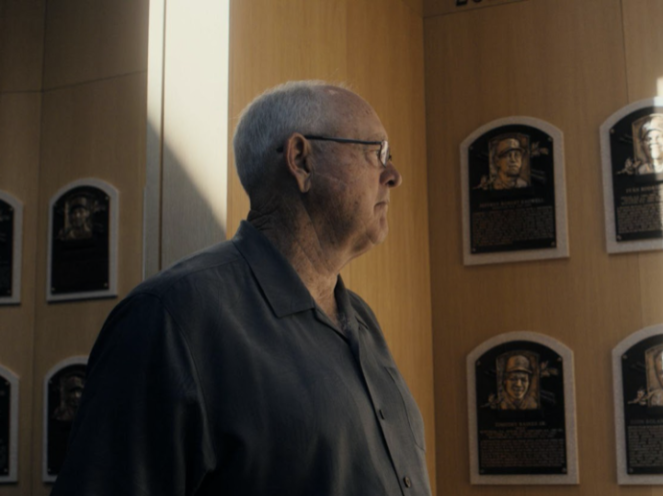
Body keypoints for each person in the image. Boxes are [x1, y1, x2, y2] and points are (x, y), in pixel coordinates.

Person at [50, 81, 430, 495]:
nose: (393, 175)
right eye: (376, 153)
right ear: (301, 161)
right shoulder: (170, 319)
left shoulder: (361, 319)